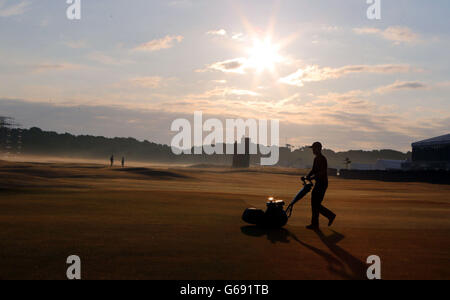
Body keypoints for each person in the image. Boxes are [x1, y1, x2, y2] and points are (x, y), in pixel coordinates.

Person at [304, 142, 336, 230]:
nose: (313, 150)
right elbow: (314, 169)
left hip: (322, 184)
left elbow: (322, 172)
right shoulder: (316, 159)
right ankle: (316, 224)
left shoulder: (322, 159)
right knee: (315, 204)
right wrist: (307, 176)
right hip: (318, 183)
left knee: (315, 204)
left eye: (314, 148)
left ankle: (329, 216)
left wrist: (313, 177)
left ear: (318, 149)